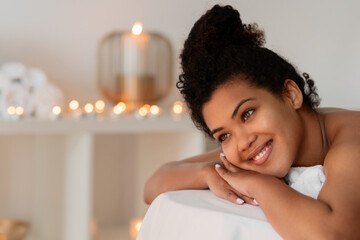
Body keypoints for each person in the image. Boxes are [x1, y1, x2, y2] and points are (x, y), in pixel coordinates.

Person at [144, 4, 360, 239]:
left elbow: (333, 235)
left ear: (290, 94)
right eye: (224, 136)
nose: (243, 142)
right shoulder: (258, 145)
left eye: (247, 114)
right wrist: (207, 173)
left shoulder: (351, 139)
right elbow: (153, 185)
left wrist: (259, 184)